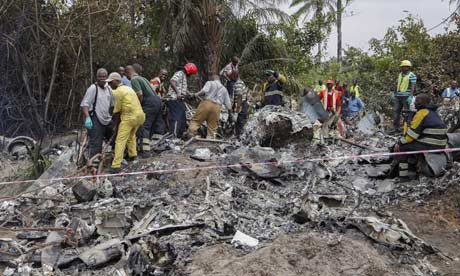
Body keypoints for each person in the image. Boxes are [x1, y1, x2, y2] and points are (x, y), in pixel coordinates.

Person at [393, 94, 447, 180]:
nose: (414, 103)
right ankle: (416, 167)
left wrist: (399, 142)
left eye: (417, 101)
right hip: (441, 144)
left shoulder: (421, 113)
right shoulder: (432, 112)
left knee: (402, 148)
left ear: (424, 103)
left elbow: (412, 135)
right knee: (413, 145)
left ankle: (403, 177)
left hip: (431, 143)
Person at [105, 72, 145, 173]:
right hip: (140, 116)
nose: (109, 85)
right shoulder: (129, 88)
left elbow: (116, 111)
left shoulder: (118, 91)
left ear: (116, 81)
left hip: (130, 117)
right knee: (131, 136)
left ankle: (116, 165)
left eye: (110, 82)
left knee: (120, 140)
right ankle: (133, 155)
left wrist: (115, 125)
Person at [126, 63, 164, 157]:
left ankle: (144, 151)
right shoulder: (144, 79)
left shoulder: (134, 80)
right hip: (157, 101)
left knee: (144, 126)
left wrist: (137, 106)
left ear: (128, 72)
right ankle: (154, 146)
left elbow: (139, 94)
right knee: (154, 125)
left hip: (149, 102)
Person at [80, 68, 114, 163]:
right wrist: (87, 118)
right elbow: (85, 104)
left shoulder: (109, 88)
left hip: (107, 118)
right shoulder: (93, 88)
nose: (102, 79)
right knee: (96, 143)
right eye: (100, 77)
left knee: (115, 138)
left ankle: (116, 158)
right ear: (97, 77)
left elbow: (112, 104)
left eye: (104, 77)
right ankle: (93, 164)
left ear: (107, 77)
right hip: (95, 118)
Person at [165, 63, 198, 138]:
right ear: (189, 71)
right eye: (191, 74)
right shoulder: (179, 73)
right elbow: (172, 81)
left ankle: (180, 135)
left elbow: (184, 88)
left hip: (180, 100)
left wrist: (190, 94)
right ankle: (173, 136)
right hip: (174, 99)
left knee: (182, 117)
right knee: (176, 117)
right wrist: (178, 93)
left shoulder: (184, 76)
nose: (191, 75)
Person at [393, 60, 417, 132]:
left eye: (404, 67)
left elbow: (413, 86)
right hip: (398, 96)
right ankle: (395, 127)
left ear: (408, 67)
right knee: (396, 111)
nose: (402, 68)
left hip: (406, 96)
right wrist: (394, 93)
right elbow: (397, 84)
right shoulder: (400, 74)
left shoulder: (412, 75)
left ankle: (406, 128)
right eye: (402, 67)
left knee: (406, 113)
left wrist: (411, 96)